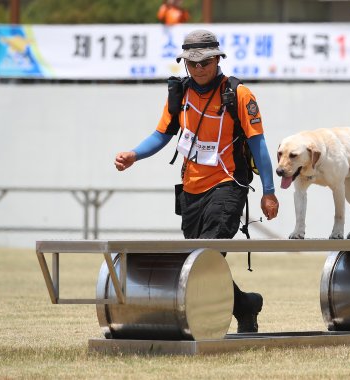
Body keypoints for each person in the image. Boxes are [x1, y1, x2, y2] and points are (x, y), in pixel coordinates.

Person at [114, 29, 279, 333]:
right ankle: (245, 305)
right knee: (197, 261)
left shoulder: (238, 94)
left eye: (205, 62)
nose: (199, 68)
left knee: (206, 256)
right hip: (191, 189)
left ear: (218, 59)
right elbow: (162, 133)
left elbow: (259, 144)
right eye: (192, 63)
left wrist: (268, 192)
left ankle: (201, 321)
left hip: (228, 185)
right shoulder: (180, 93)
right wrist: (134, 154)